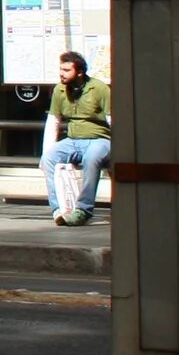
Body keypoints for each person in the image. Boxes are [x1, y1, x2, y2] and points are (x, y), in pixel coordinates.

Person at [43, 50, 113, 225]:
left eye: (67, 70)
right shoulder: (59, 90)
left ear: (80, 72)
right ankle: (58, 209)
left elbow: (113, 118)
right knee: (48, 158)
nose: (61, 74)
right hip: (73, 140)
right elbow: (54, 121)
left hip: (100, 139)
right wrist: (46, 152)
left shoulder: (98, 88)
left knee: (92, 158)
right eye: (61, 69)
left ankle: (83, 210)